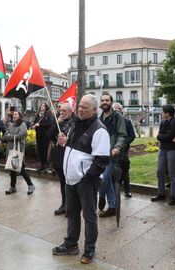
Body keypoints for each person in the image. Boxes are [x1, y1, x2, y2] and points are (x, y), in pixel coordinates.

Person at [52, 94, 110, 264]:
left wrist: (86, 178)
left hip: (86, 182)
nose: (80, 110)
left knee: (89, 217)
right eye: (79, 107)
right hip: (70, 180)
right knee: (72, 213)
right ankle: (71, 244)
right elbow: (75, 148)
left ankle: (89, 250)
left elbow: (101, 161)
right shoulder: (76, 124)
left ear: (94, 109)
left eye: (85, 108)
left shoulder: (99, 130)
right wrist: (65, 142)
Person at [98, 94, 127, 217]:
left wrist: (117, 147)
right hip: (100, 154)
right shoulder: (99, 118)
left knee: (104, 179)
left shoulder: (118, 117)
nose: (105, 102)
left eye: (107, 100)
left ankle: (101, 196)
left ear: (111, 102)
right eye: (102, 100)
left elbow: (122, 135)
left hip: (111, 155)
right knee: (107, 180)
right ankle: (112, 206)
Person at [47, 102, 75, 215]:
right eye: (60, 111)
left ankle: (71, 206)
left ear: (70, 112)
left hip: (70, 156)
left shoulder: (75, 123)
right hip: (59, 156)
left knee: (70, 183)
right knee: (63, 182)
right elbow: (48, 136)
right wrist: (56, 123)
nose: (61, 113)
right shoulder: (58, 123)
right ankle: (64, 204)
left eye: (64, 111)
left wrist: (67, 139)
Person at [152, 105, 175, 206]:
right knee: (160, 171)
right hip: (163, 149)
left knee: (172, 174)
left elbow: (172, 135)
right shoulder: (163, 122)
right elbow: (159, 136)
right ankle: (161, 194)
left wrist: (165, 137)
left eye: (163, 111)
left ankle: (173, 196)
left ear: (168, 113)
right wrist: (168, 137)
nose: (161, 113)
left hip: (173, 150)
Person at [2, 111, 36, 195]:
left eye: (16, 114)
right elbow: (6, 135)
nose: (14, 115)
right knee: (12, 169)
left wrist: (11, 136)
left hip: (18, 150)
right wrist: (11, 136)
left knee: (20, 169)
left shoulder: (23, 125)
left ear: (20, 116)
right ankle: (13, 187)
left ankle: (31, 185)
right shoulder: (10, 124)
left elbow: (20, 135)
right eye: (13, 114)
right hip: (10, 150)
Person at [112, 102, 136, 198]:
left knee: (125, 170)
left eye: (120, 109)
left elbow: (132, 135)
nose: (118, 111)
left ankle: (127, 190)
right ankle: (113, 190)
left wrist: (124, 144)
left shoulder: (127, 122)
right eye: (116, 109)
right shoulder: (111, 122)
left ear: (122, 110)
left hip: (123, 151)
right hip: (112, 150)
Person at [32, 103, 53, 171]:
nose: (42, 106)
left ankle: (46, 164)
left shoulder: (48, 115)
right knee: (40, 150)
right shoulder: (38, 115)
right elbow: (35, 123)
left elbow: (50, 123)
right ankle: (42, 164)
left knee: (45, 150)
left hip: (45, 136)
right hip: (38, 135)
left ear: (46, 107)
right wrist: (34, 125)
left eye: (43, 105)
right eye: (41, 105)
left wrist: (40, 124)